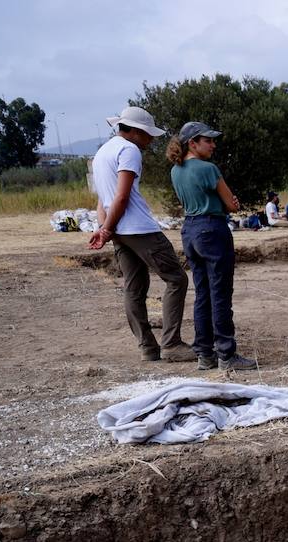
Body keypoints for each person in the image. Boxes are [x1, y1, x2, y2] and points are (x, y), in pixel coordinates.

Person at [87, 106, 189, 362]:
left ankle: (148, 347)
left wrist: (106, 228)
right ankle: (172, 344)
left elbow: (104, 200)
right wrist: (108, 228)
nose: (151, 140)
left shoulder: (101, 153)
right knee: (176, 279)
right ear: (133, 131)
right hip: (138, 228)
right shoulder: (129, 150)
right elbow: (121, 195)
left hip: (119, 231)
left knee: (134, 288)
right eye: (147, 134)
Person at [167, 121, 256, 371]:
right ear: (192, 143)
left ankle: (204, 354)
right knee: (220, 294)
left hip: (190, 229)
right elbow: (231, 204)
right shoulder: (207, 168)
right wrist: (228, 201)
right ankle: (227, 354)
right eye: (208, 140)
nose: (213, 144)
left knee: (202, 293)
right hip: (212, 229)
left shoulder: (176, 170)